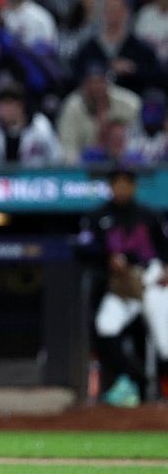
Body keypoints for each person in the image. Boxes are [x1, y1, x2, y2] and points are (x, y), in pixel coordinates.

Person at [77, 168, 168, 406]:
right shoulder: (99, 216)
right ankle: (132, 382)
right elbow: (83, 248)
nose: (122, 188)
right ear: (111, 187)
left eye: (126, 184)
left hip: (152, 279)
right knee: (105, 326)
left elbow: (164, 245)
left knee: (165, 342)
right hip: (123, 284)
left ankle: (162, 390)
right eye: (117, 184)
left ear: (134, 187)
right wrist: (107, 257)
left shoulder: (149, 214)